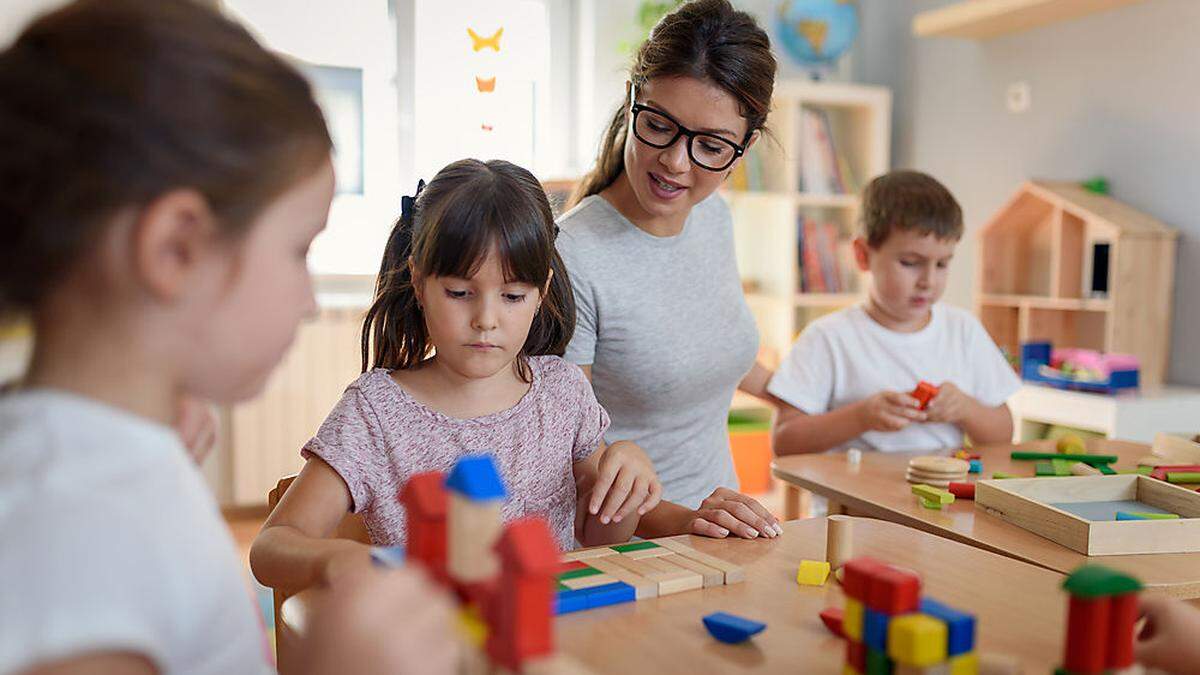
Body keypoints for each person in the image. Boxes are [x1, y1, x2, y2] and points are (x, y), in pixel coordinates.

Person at [0, 1, 455, 673]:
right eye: (299, 249)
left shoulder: (83, 460)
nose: (307, 301)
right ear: (177, 249)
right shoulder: (74, 530)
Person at [251, 159, 781, 596]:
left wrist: (631, 482)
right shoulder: (376, 411)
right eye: (460, 293)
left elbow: (601, 539)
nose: (486, 319)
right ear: (418, 279)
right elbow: (273, 547)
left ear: (542, 289)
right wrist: (343, 563)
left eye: (512, 296)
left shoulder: (563, 392)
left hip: (553, 643)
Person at [557, 0, 785, 529]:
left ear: (743, 147)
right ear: (634, 100)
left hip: (716, 527)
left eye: (710, 145)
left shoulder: (714, 217)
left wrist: (813, 398)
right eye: (659, 124)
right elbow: (570, 455)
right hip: (630, 544)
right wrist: (689, 522)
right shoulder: (572, 254)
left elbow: (706, 344)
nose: (676, 163)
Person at [769, 171, 1019, 455]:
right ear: (863, 255)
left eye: (942, 265)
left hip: (943, 494)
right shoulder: (828, 337)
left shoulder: (963, 330)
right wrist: (860, 418)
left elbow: (1003, 436)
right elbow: (784, 442)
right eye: (911, 263)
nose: (928, 281)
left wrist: (967, 409)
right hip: (850, 497)